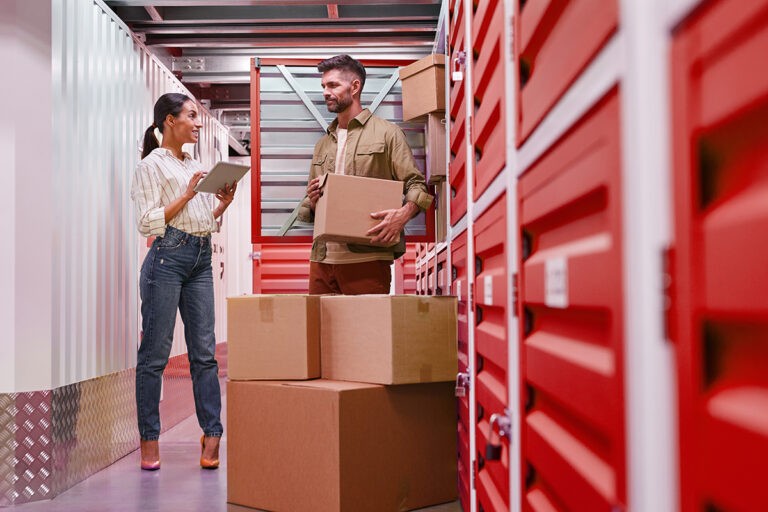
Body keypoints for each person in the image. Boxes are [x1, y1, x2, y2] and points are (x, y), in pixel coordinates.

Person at [130, 93, 236, 471]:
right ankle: (149, 439)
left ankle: (212, 433)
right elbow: (147, 221)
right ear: (169, 121)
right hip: (166, 260)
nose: (198, 122)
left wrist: (222, 203)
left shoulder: (196, 163)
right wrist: (188, 194)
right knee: (155, 356)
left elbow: (204, 218)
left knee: (204, 355)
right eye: (191, 115)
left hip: (200, 259)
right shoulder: (150, 166)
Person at [298, 54, 433, 294]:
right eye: (323, 86)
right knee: (319, 332)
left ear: (355, 86)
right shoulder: (322, 144)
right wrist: (312, 199)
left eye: (333, 85)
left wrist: (403, 214)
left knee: (366, 332)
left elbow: (416, 185)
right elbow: (312, 204)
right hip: (321, 259)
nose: (325, 92)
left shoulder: (387, 134)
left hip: (367, 258)